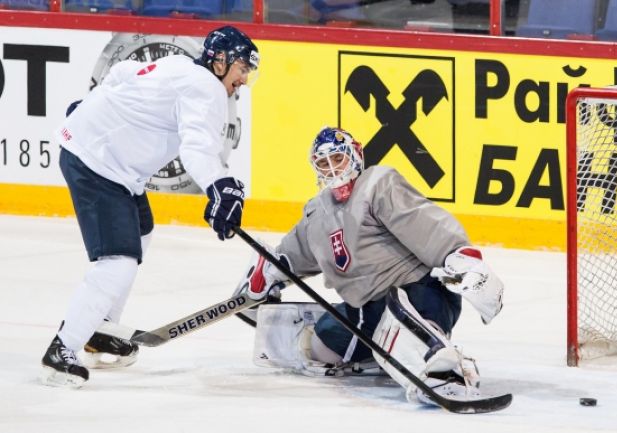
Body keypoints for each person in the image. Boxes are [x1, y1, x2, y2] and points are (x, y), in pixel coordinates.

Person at [40, 26, 260, 387]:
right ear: (220, 62)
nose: (245, 79)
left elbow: (122, 73)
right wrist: (218, 187)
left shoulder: (179, 64)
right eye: (242, 69)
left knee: (141, 230)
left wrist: (95, 106)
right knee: (118, 261)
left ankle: (100, 328)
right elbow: (196, 149)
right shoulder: (206, 88)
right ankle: (64, 348)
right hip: (98, 163)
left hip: (107, 160)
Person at [235, 126, 504, 404]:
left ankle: (443, 368)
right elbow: (294, 253)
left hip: (419, 292)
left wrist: (459, 256)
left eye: (337, 159)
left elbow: (422, 221)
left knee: (405, 328)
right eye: (323, 164)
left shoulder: (377, 184)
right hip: (367, 312)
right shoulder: (317, 213)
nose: (333, 169)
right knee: (321, 346)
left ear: (356, 154)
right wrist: (266, 276)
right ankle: (382, 356)